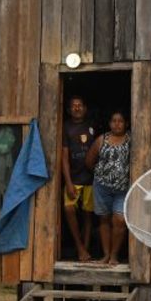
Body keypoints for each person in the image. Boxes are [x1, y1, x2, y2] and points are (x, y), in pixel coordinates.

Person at [86, 111, 130, 266]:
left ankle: (114, 255)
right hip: (102, 187)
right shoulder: (101, 139)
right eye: (114, 121)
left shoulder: (130, 139)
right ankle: (105, 255)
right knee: (104, 219)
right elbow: (89, 161)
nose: (117, 124)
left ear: (126, 124)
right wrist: (102, 175)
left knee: (119, 220)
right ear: (109, 123)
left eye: (120, 121)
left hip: (123, 189)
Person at [61, 95, 96, 262]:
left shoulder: (92, 126)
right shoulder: (66, 127)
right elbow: (64, 157)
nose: (77, 108)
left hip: (91, 178)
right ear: (68, 110)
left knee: (88, 214)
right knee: (69, 209)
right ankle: (79, 246)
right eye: (73, 106)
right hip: (73, 178)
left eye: (79, 105)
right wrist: (68, 182)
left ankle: (86, 250)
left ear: (85, 108)